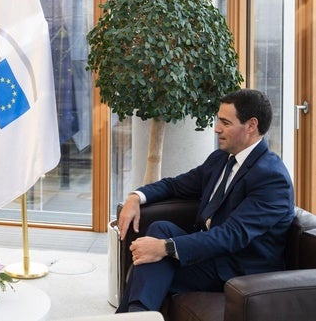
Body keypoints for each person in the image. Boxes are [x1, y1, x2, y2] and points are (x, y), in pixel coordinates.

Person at [116, 89, 295, 313]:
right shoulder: (221, 159)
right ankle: (136, 317)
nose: (216, 128)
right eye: (218, 120)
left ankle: (132, 316)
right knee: (160, 230)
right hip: (212, 253)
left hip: (239, 268)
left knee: (152, 264)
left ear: (251, 125)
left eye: (225, 122)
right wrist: (136, 196)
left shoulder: (271, 177)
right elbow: (175, 185)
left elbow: (232, 235)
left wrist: (166, 247)